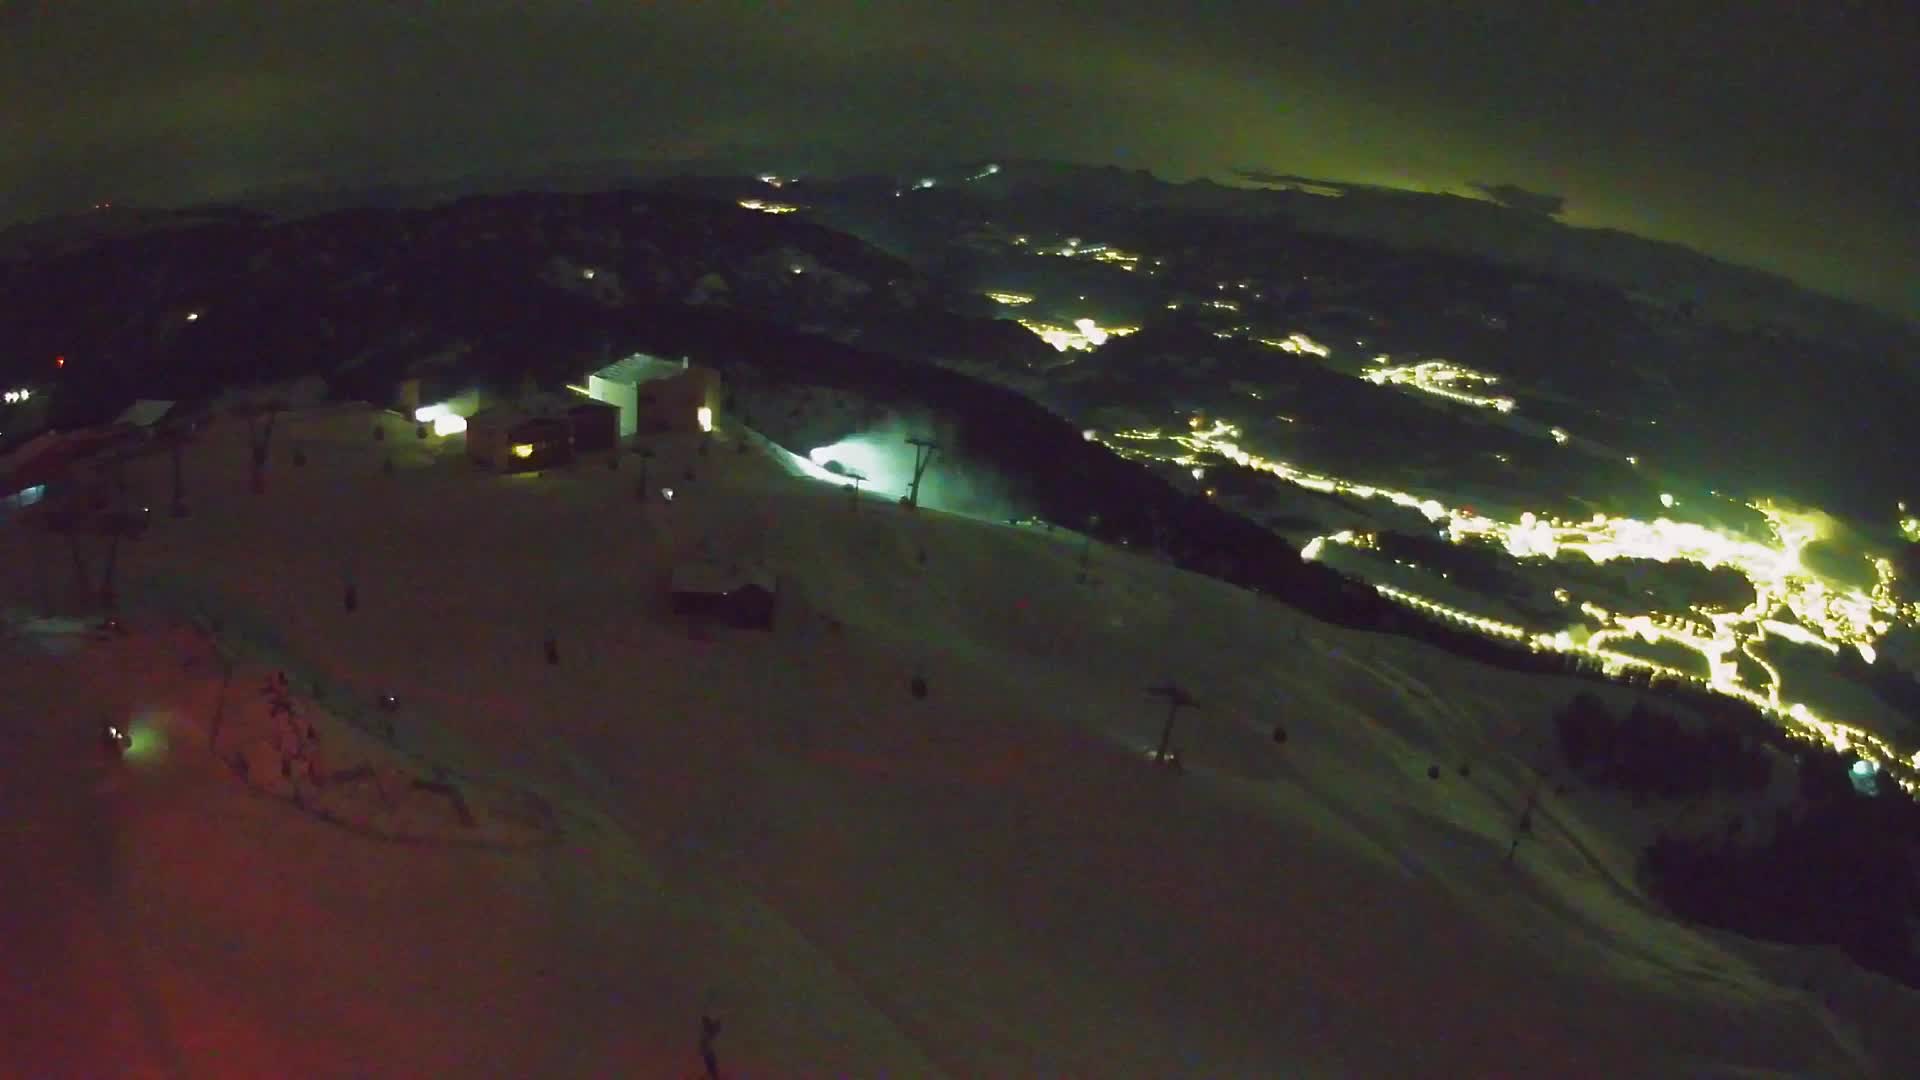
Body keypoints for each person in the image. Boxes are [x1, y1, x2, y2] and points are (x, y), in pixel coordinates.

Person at [699, 1015, 721, 1080]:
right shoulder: (706, 1033)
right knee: (712, 1070)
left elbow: (714, 1031)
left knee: (712, 1071)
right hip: (708, 1054)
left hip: (708, 1053)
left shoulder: (706, 1032)